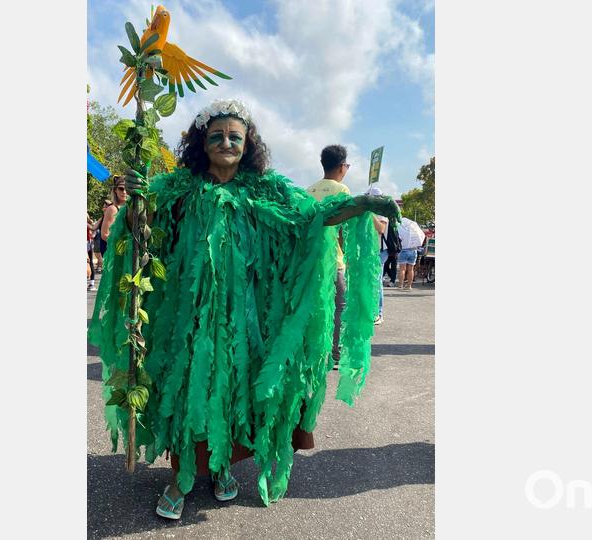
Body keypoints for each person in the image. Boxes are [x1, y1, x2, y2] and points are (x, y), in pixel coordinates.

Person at [88, 99, 400, 520]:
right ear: (202, 141)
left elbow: (314, 216)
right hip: (189, 319)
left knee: (235, 390)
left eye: (235, 136)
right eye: (216, 136)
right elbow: (141, 225)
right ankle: (180, 477)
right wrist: (136, 202)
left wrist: (362, 204)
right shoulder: (178, 188)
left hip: (246, 321)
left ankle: (219, 470)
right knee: (185, 390)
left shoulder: (266, 189)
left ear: (248, 142)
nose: (226, 142)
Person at [306, 145, 352, 366]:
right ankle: (334, 353)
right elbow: (343, 228)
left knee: (314, 305)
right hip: (333, 260)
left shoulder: (309, 190)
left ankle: (311, 351)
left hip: (311, 260)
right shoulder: (341, 190)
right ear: (342, 166)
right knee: (339, 306)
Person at [92, 175, 127, 273]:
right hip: (115, 254)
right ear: (115, 190)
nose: (124, 192)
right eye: (121, 188)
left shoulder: (131, 208)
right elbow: (105, 235)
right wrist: (125, 245)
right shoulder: (113, 209)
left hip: (128, 255)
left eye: (127, 188)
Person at [366, 186, 388, 324]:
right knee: (368, 281)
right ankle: (369, 310)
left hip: (380, 251)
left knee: (376, 281)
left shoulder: (382, 212)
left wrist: (369, 213)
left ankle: (378, 313)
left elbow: (381, 229)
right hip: (369, 250)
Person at [396, 216, 425, 290]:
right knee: (411, 269)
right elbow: (422, 236)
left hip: (404, 250)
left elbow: (398, 238)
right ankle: (409, 286)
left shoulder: (401, 227)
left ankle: (400, 285)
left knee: (402, 269)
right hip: (413, 250)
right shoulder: (414, 227)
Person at [87, 213, 97, 292]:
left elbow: (94, 231)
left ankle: (92, 283)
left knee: (89, 263)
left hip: (87, 243)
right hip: (88, 243)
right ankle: (92, 283)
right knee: (90, 263)